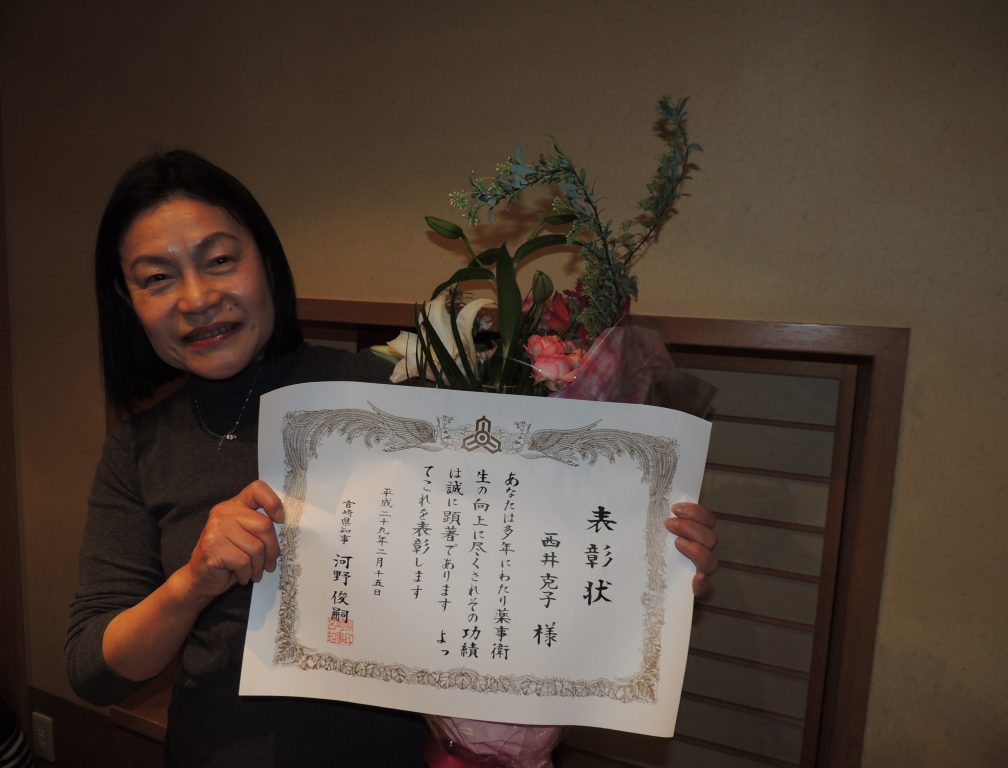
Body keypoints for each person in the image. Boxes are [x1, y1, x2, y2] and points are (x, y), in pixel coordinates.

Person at [66, 149, 719, 767]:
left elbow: (515, 561)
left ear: (265, 260)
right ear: (128, 301)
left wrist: (648, 564)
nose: (196, 298)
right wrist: (192, 583)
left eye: (218, 260)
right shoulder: (139, 448)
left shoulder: (390, 393)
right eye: (157, 278)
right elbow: (94, 670)